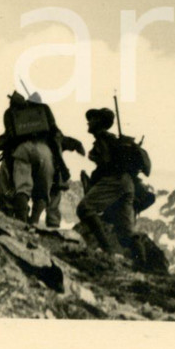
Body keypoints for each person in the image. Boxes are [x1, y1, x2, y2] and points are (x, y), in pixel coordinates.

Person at [0, 92, 82, 226]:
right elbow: (57, 135)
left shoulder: (11, 113)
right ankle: (34, 222)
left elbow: (7, 138)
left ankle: (21, 222)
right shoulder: (44, 112)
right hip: (45, 152)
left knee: (22, 188)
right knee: (42, 192)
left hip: (22, 151)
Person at [76, 108, 148, 265]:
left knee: (85, 208)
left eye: (92, 118)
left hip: (114, 180)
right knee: (125, 232)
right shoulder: (113, 140)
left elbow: (106, 165)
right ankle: (143, 264)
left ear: (100, 122)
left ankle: (107, 250)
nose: (88, 122)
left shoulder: (103, 139)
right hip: (127, 184)